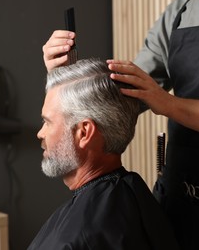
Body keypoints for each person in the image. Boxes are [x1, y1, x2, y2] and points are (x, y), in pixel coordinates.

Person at [42, 0, 199, 249]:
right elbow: (125, 95)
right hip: (177, 202)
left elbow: (156, 98)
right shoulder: (180, 10)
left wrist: (169, 104)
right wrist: (65, 80)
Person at [28, 58, 179, 250]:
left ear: (83, 132)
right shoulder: (135, 196)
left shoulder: (77, 238)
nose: (40, 133)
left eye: (47, 122)